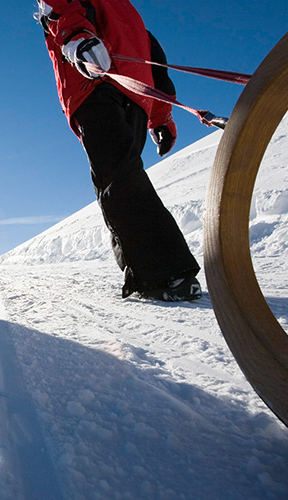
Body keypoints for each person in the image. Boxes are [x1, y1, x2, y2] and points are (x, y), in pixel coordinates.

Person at [35, 0, 201, 302]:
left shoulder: (123, 9)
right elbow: (62, 12)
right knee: (122, 178)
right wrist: (77, 39)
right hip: (114, 90)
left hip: (115, 91)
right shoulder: (122, 8)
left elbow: (153, 58)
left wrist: (162, 118)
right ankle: (160, 272)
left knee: (120, 180)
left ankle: (156, 273)